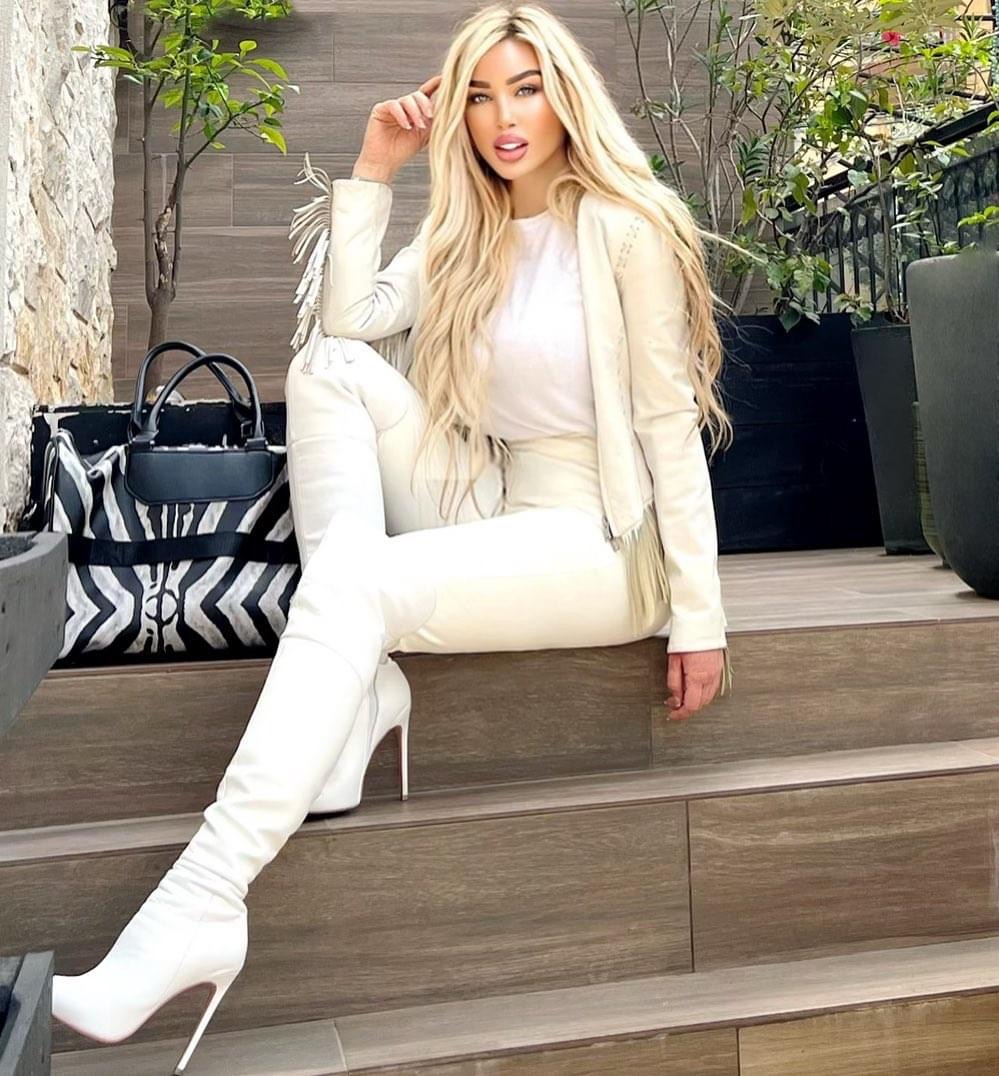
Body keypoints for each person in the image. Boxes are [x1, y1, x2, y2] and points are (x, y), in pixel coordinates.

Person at [50, 3, 735, 1071]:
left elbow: (667, 425)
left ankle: (201, 899)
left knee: (357, 585)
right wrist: (374, 167)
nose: (503, 118)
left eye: (525, 89)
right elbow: (346, 322)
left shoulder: (626, 228)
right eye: (480, 96)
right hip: (489, 498)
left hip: (601, 537)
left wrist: (700, 614)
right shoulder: (467, 232)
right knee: (327, 369)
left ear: (565, 96)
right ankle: (357, 679)